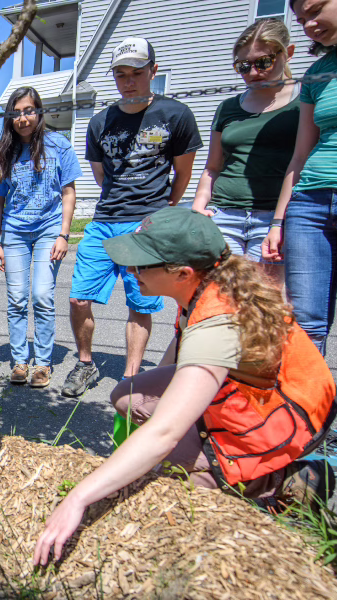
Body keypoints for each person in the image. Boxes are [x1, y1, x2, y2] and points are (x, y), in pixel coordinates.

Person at [34, 207, 337, 566]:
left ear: (181, 273)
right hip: (256, 387)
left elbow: (164, 432)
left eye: (142, 264)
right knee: (127, 396)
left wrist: (78, 498)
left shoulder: (218, 321)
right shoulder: (206, 284)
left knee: (170, 458)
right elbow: (178, 354)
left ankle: (278, 481)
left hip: (281, 416)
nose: (131, 272)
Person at [263, 0, 337, 476]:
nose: (306, 23)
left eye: (314, 9)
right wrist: (280, 219)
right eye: (299, 16)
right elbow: (302, 152)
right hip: (309, 201)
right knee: (304, 322)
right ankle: (305, 419)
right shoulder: (318, 74)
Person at [64, 37, 202, 398]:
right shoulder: (100, 122)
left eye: (137, 73)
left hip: (147, 221)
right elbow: (100, 175)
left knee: (140, 302)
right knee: (79, 297)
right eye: (121, 74)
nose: (129, 81)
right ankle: (85, 363)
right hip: (105, 219)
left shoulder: (175, 115)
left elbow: (183, 174)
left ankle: (130, 377)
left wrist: (161, 209)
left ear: (152, 72)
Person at [192, 19, 298, 285]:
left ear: (288, 53)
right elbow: (212, 167)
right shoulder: (228, 107)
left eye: (263, 62)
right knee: (221, 301)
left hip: (274, 218)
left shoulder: (303, 101)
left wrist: (279, 221)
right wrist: (198, 207)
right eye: (243, 66)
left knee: (264, 305)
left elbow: (301, 163)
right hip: (224, 214)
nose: (252, 72)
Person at [0, 87, 82, 388]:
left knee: (42, 295)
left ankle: (42, 363)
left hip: (49, 230)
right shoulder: (4, 152)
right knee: (17, 299)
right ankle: (19, 361)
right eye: (16, 113)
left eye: (28, 110)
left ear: (39, 112)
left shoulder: (59, 145)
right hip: (14, 231)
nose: (23, 118)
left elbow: (69, 192)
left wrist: (64, 235)